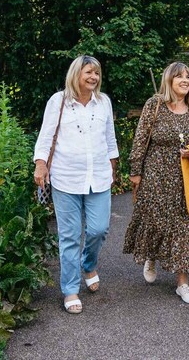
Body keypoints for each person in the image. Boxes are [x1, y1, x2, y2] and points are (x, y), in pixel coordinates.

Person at [33, 55, 119, 314]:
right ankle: (70, 289)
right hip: (66, 178)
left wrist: (114, 167)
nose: (93, 77)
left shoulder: (103, 102)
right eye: (88, 72)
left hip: (99, 176)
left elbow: (110, 138)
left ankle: (89, 263)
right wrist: (40, 164)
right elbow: (46, 135)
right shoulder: (58, 101)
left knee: (98, 229)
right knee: (69, 236)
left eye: (96, 73)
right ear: (76, 74)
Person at [123, 62, 189, 304]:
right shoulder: (155, 105)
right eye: (179, 76)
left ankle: (182, 283)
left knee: (186, 228)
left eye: (188, 77)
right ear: (168, 80)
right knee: (156, 221)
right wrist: (135, 171)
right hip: (156, 177)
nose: (185, 80)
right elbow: (141, 140)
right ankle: (152, 256)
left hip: (188, 180)